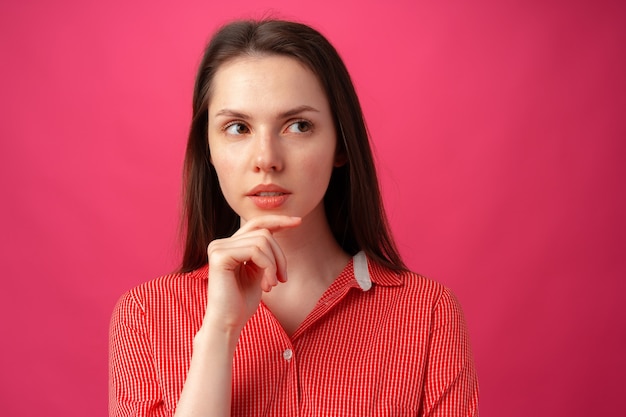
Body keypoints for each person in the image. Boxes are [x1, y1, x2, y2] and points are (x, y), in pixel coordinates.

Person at [109, 18, 479, 417]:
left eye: (298, 126)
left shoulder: (428, 314)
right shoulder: (145, 316)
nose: (266, 159)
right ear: (208, 151)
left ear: (341, 144)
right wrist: (219, 332)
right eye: (238, 128)